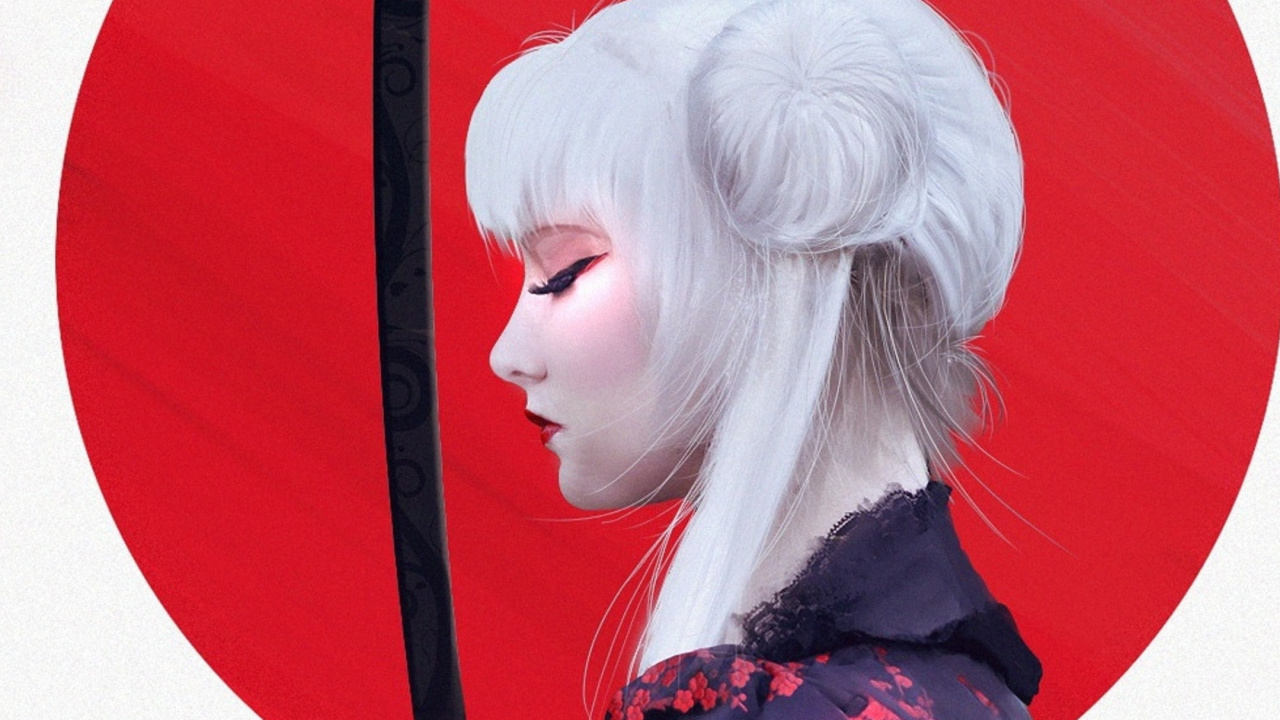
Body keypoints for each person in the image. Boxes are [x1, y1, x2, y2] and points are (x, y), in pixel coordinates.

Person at [465, 0, 1042, 716]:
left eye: (564, 272)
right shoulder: (962, 687)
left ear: (764, 284)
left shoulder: (772, 703)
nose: (508, 355)